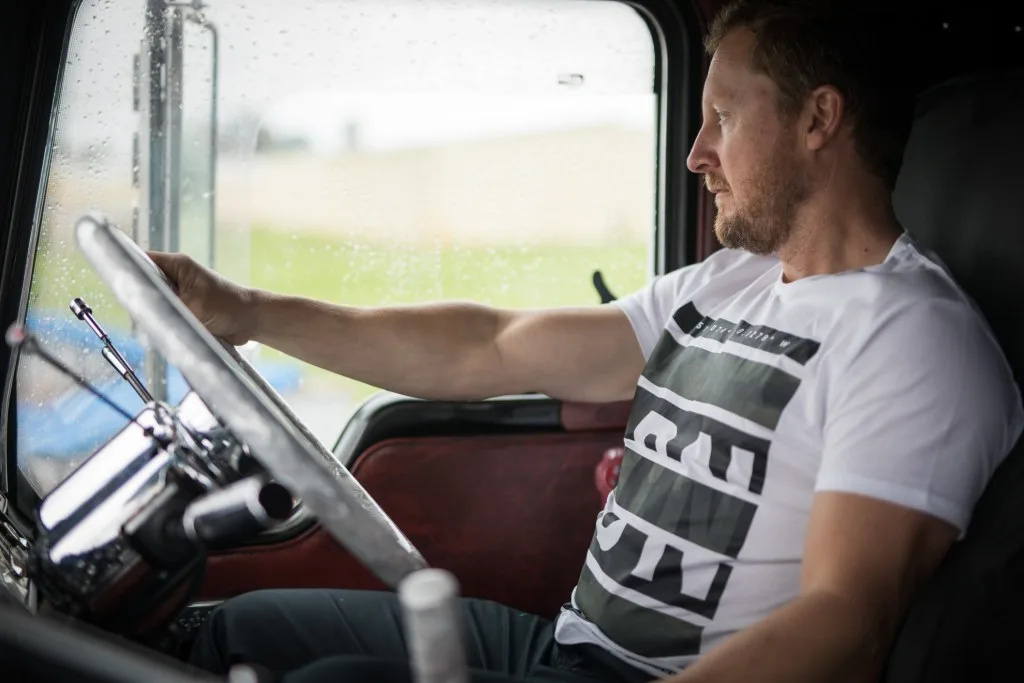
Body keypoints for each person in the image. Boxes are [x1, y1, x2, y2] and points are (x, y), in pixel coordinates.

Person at [150, 1, 1023, 682]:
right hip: (566, 647)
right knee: (236, 626)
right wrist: (246, 310)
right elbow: (488, 347)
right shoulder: (734, 280)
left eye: (722, 115)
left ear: (818, 119)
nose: (695, 152)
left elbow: (844, 624)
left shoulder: (912, 338)